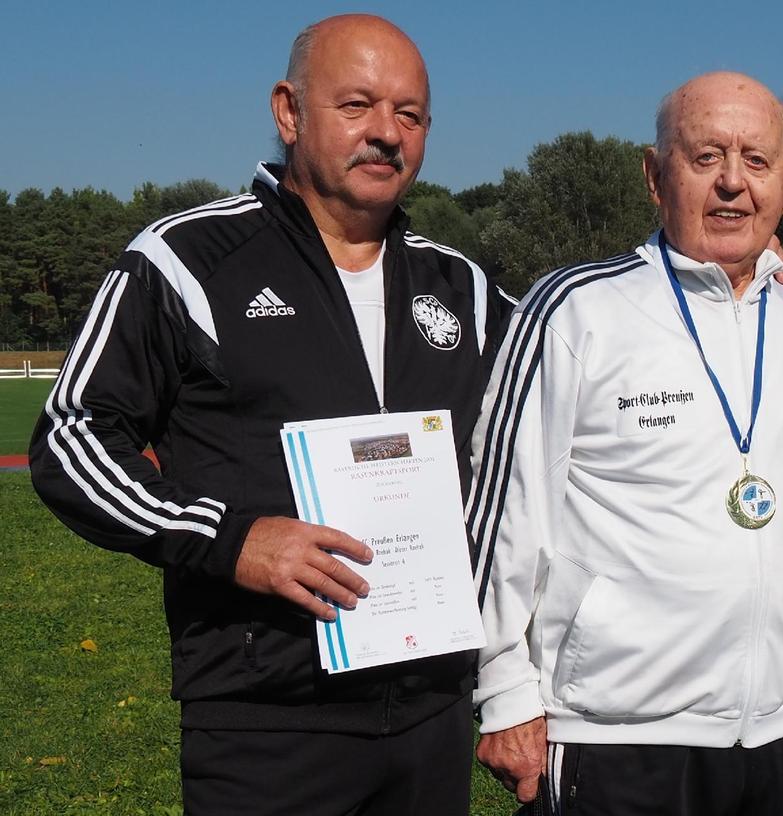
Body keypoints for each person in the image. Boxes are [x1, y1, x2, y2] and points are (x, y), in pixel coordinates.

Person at [28, 14, 516, 814]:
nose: (386, 134)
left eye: (410, 114)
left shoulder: (462, 288)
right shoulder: (186, 260)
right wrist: (230, 540)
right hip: (267, 723)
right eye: (357, 105)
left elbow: (582, 368)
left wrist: (738, 274)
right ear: (289, 111)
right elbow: (73, 437)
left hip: (432, 715)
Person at [469, 71, 783, 814]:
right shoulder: (576, 310)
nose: (733, 183)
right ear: (654, 175)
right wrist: (504, 688)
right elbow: (504, 514)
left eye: (757, 160)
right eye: (705, 158)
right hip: (616, 742)